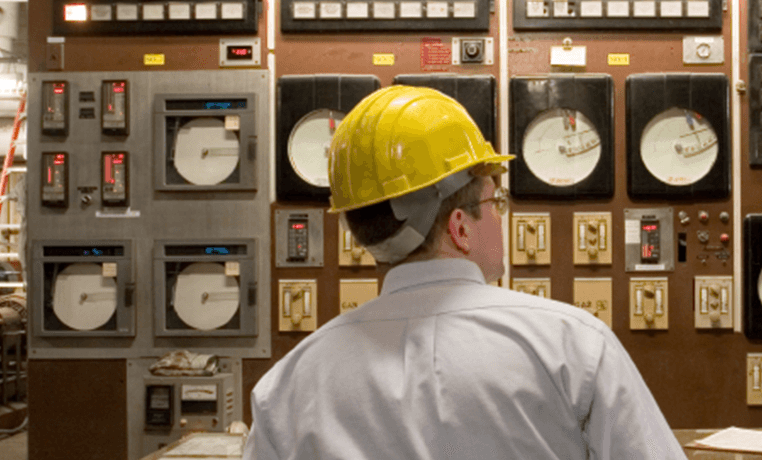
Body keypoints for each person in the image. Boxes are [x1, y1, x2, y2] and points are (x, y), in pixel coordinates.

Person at [245, 86, 686, 460]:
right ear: (459, 227)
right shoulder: (573, 346)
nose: (502, 217)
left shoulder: (287, 386)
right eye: (496, 201)